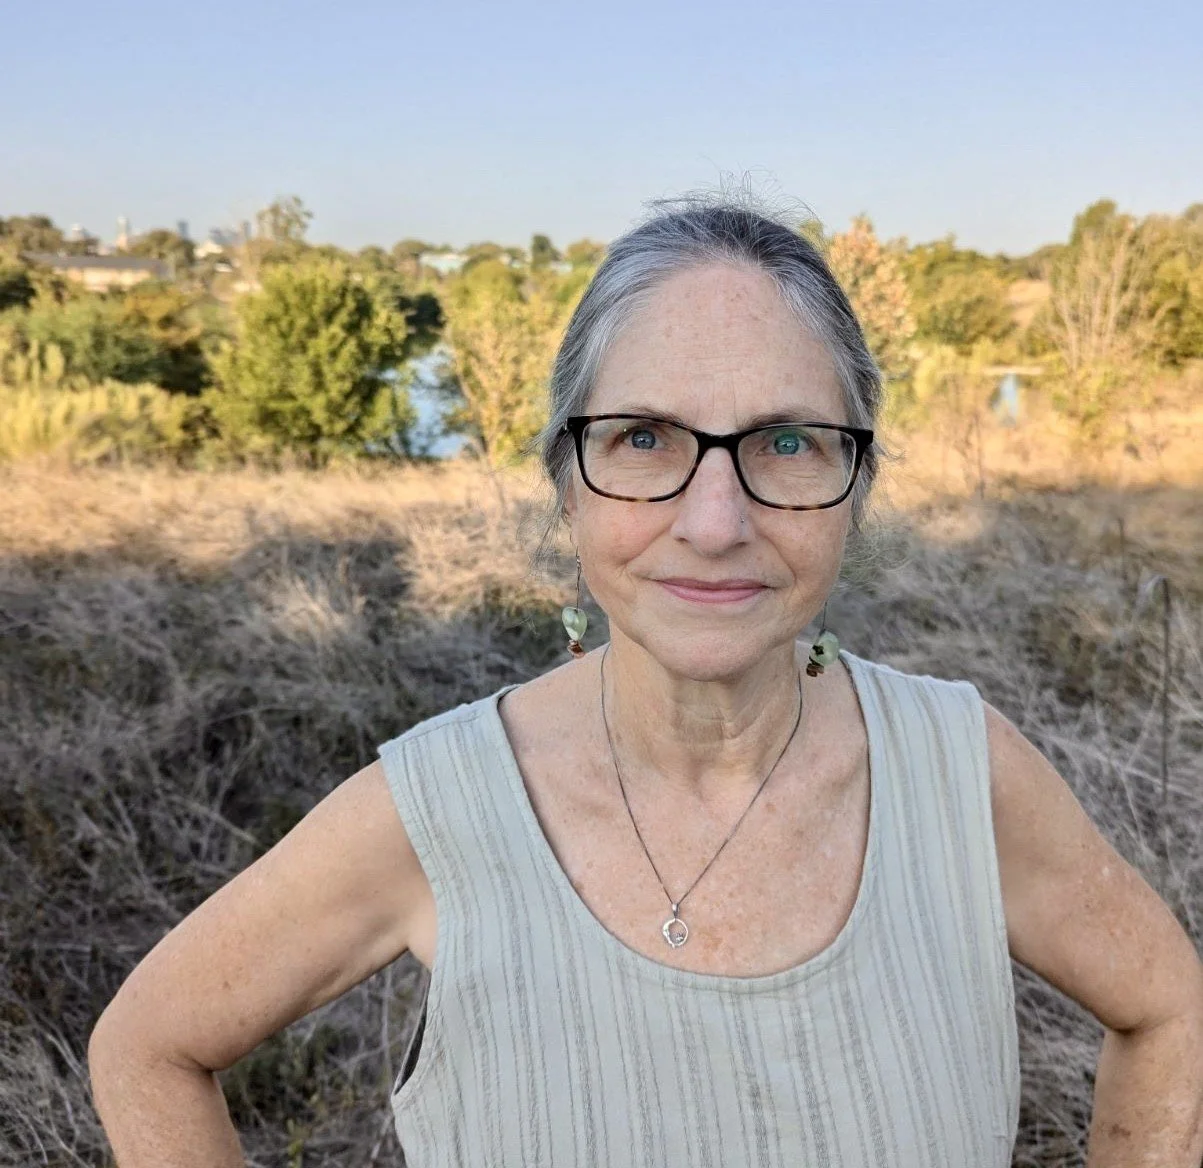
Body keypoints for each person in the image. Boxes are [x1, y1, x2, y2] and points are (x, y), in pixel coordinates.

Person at [88, 199, 1203, 1167]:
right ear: (567, 483)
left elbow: (1169, 1008)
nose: (715, 523)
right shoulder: (438, 810)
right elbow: (149, 1046)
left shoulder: (964, 775)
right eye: (641, 437)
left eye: (785, 442)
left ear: (857, 483)